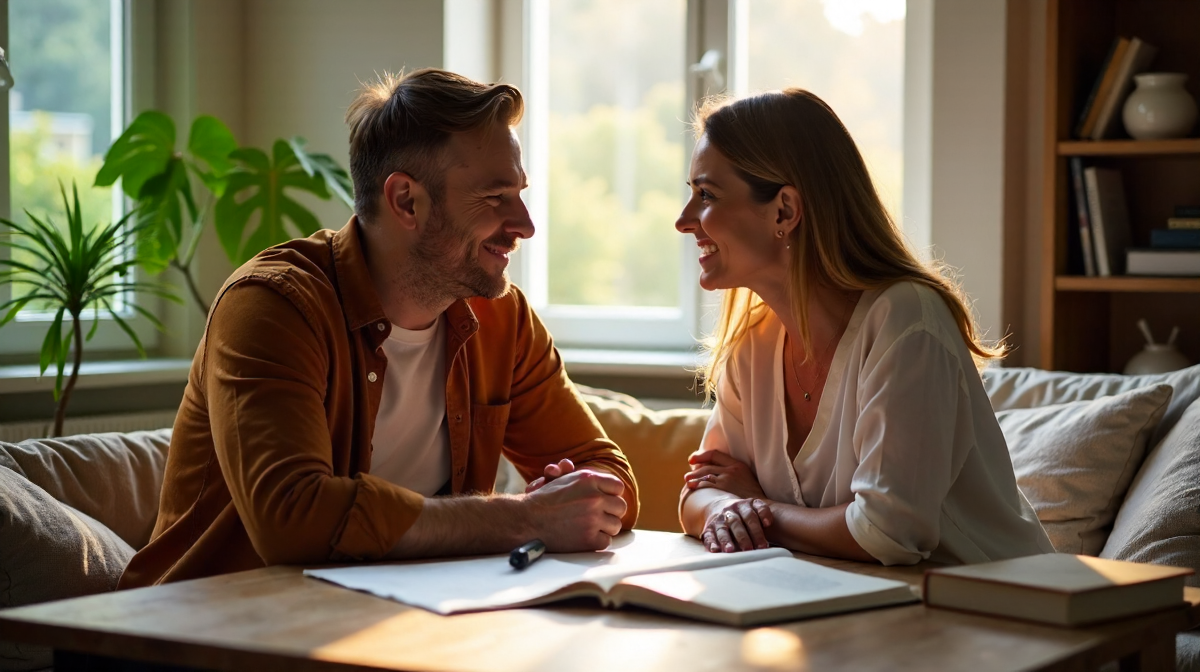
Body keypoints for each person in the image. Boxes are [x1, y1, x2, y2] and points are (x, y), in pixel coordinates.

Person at [120, 69, 638, 588]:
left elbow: (605, 472)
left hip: (400, 621)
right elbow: (292, 519)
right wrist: (527, 518)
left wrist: (581, 500)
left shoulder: (501, 318)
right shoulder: (273, 306)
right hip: (206, 631)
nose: (525, 223)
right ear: (406, 201)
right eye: (496, 196)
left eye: (520, 193)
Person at [675, 89, 1053, 566]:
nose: (684, 221)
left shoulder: (907, 322)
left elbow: (885, 532)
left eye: (706, 195)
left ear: (785, 211)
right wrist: (728, 507)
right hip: (860, 613)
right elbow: (697, 496)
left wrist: (759, 510)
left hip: (1004, 615)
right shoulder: (752, 343)